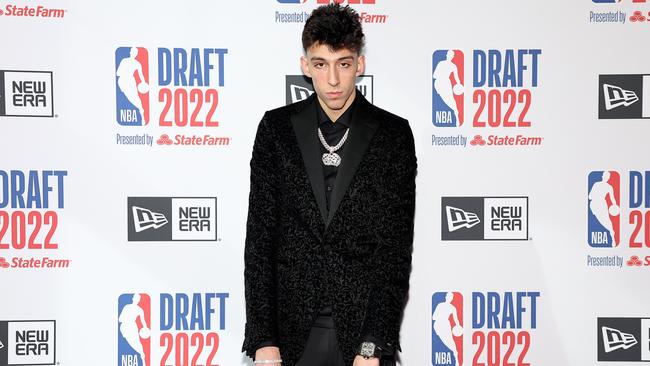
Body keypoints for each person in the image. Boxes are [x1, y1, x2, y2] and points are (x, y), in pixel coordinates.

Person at [242, 4, 416, 366]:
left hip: (360, 337)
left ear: (360, 65)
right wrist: (263, 339)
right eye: (321, 64)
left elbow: (394, 252)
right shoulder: (276, 130)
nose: (333, 80)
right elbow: (260, 241)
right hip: (289, 336)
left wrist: (372, 344)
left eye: (344, 63)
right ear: (306, 66)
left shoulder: (393, 135)